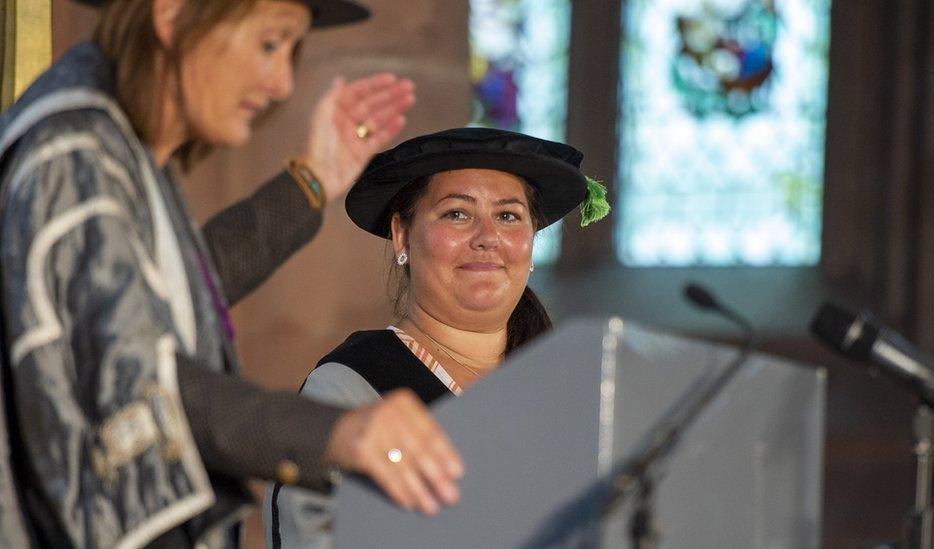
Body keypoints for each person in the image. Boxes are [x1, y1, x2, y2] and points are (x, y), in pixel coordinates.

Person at [0, 1, 464, 547]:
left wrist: (311, 181)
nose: (282, 82)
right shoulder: (75, 155)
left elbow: (166, 293)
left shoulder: (113, 144)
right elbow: (140, 379)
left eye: (293, 51)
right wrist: (339, 431)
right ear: (172, 16)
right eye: (269, 44)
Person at [266, 126, 610, 547]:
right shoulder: (353, 386)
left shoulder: (568, 386)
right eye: (457, 214)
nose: (487, 238)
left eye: (508, 216)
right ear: (402, 235)